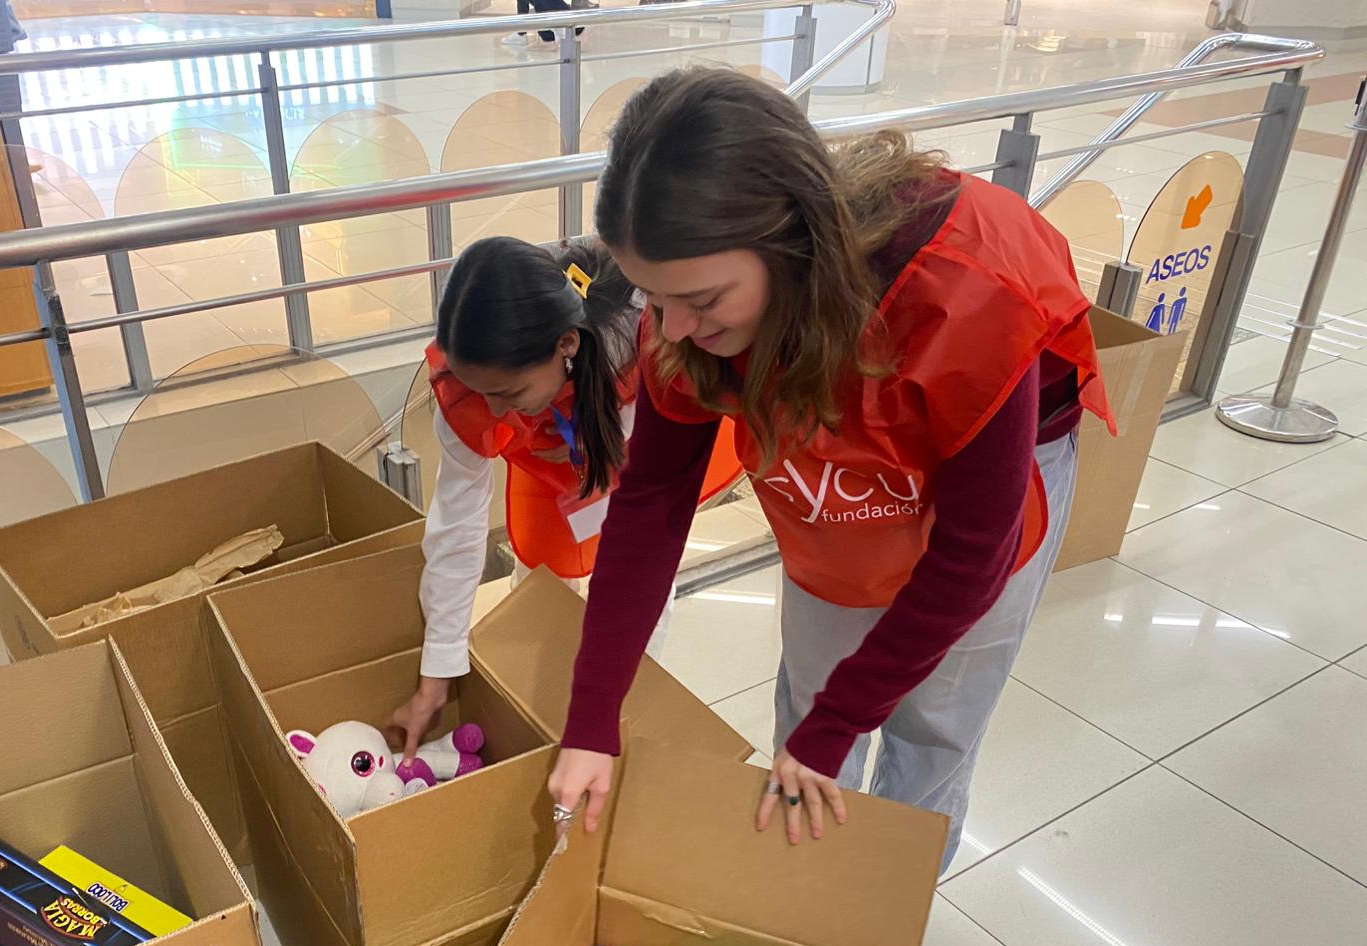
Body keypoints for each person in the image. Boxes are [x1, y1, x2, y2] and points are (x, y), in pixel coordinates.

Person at [546, 69, 1113, 872]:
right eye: (653, 298)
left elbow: (974, 550)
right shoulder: (686, 315)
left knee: (935, 722)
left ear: (792, 244)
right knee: (813, 695)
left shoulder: (961, 289)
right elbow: (651, 508)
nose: (671, 328)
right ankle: (805, 887)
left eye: (702, 300)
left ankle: (887, 897)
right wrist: (593, 719)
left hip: (985, 470)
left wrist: (841, 722)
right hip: (834, 480)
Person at [389, 236, 743, 760]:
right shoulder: (473, 385)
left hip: (628, 455)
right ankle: (536, 707)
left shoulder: (645, 355)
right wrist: (436, 675)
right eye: (478, 391)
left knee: (634, 590)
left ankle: (624, 708)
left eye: (508, 394)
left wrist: (608, 710)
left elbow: (642, 554)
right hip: (550, 469)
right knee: (538, 576)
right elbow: (456, 529)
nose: (492, 410)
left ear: (567, 346)